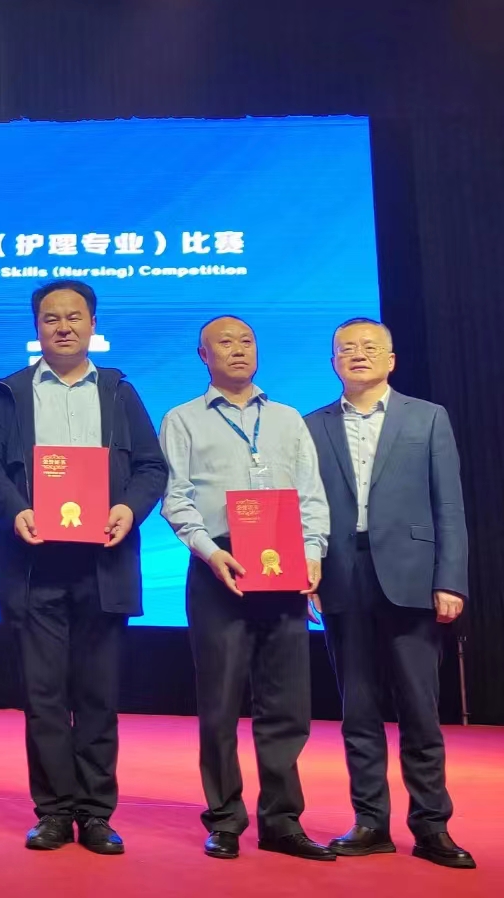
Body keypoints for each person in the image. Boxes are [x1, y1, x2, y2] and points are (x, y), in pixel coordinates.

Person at [0, 282, 167, 855]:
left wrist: (128, 509)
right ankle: (55, 812)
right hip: (33, 564)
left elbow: (152, 468)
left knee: (98, 696)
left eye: (74, 317)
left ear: (92, 325)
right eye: (51, 318)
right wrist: (15, 510)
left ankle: (97, 813)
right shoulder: (9, 392)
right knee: (42, 697)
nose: (63, 326)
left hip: (103, 563)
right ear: (36, 327)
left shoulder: (118, 391)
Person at [159, 315, 334, 861]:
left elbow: (311, 495)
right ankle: (225, 819)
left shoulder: (287, 419)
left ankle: (282, 821)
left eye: (246, 341)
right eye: (224, 343)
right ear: (203, 355)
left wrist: (313, 554)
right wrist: (210, 554)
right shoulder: (182, 419)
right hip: (220, 566)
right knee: (219, 704)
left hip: (284, 568)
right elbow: (176, 498)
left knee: (287, 704)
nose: (238, 350)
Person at [304, 318, 475, 869]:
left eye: (370, 347)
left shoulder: (428, 417)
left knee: (420, 709)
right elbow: (305, 505)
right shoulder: (312, 425)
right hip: (341, 573)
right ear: (333, 361)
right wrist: (307, 571)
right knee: (358, 708)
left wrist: (450, 579)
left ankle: (432, 826)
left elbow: (449, 505)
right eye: (346, 349)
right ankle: (370, 822)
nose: (358, 355)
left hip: (412, 575)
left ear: (392, 359)